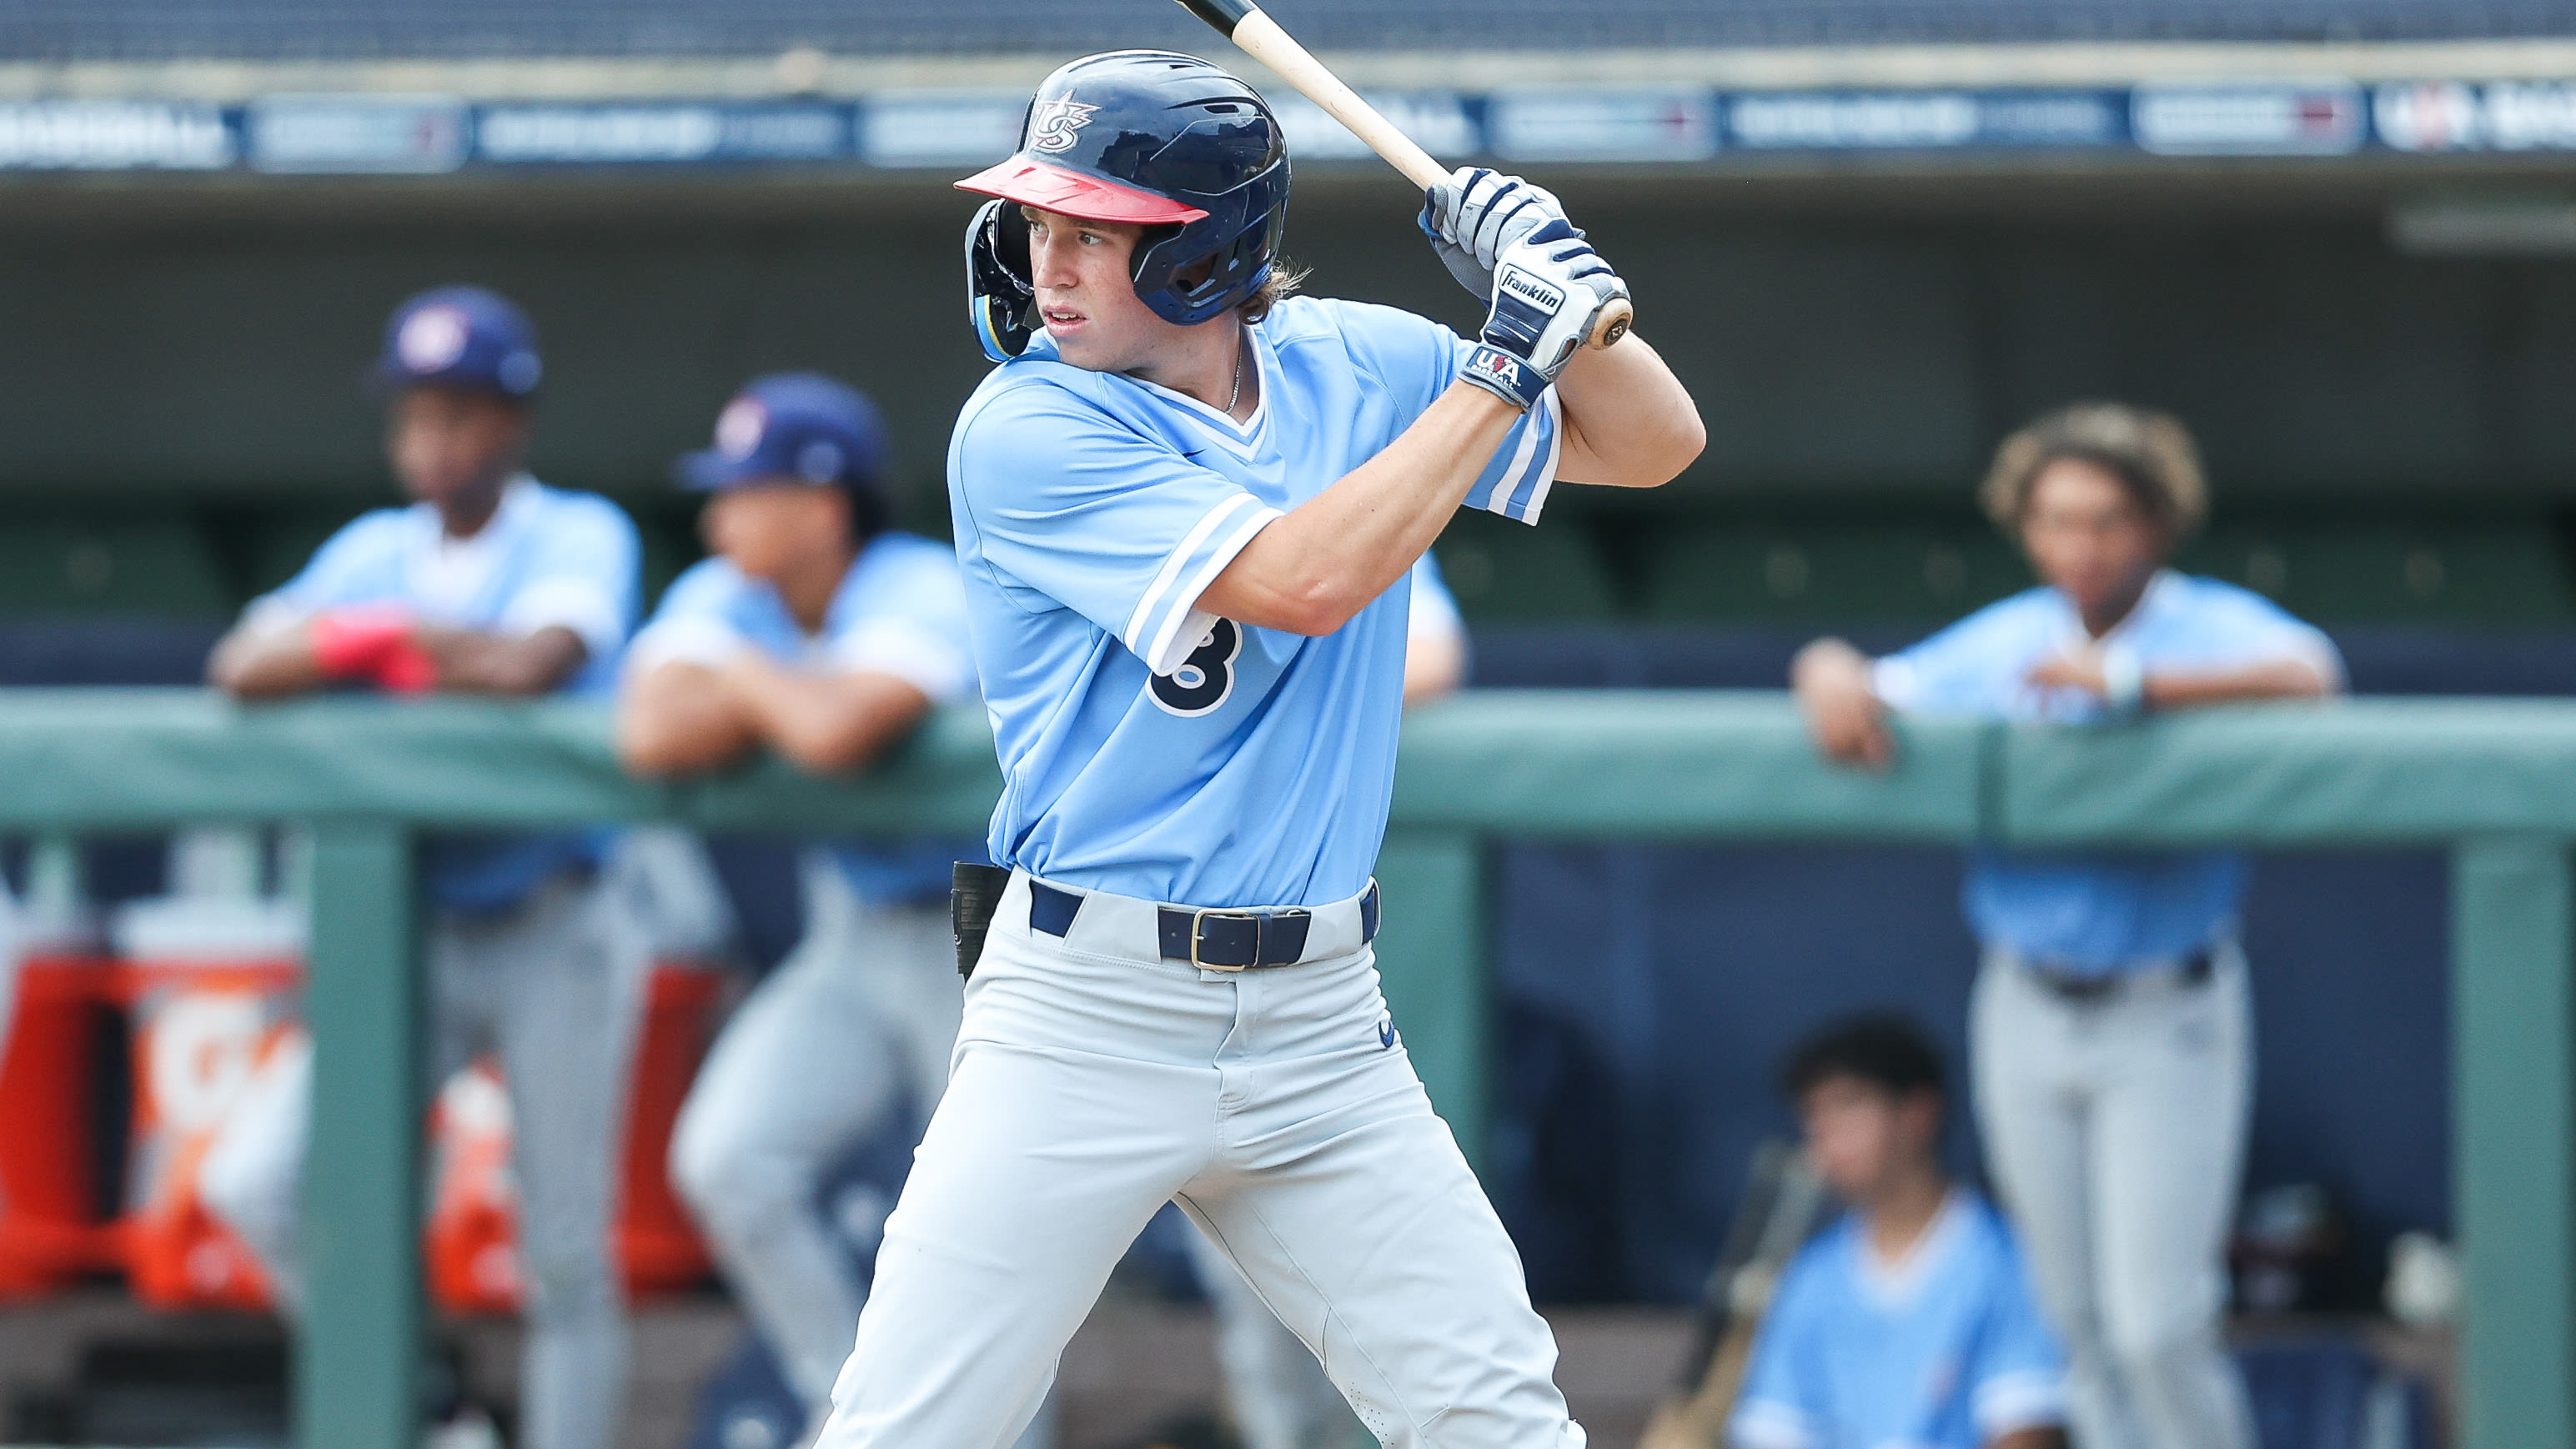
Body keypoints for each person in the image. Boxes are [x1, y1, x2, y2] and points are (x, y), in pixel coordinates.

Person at [811, 48, 1702, 1449]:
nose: (1052, 263)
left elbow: (1655, 444)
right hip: (1084, 1012)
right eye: (1041, 224)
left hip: (1320, 1026)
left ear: (1207, 249)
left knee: (1501, 1420)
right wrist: (1501, 355)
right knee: (909, 1427)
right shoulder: (1028, 423)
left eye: (1099, 233)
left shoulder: (1364, 361)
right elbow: (1302, 578)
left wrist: (1576, 308)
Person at [1790, 403, 2343, 1449]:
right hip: (2025, 999)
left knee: (2156, 1325)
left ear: (2155, 525)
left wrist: (2132, 684)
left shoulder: (2203, 626)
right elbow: (1867, 681)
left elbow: (2309, 678)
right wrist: (1823, 667)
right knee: (2072, 1322)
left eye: (2104, 521)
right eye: (2053, 520)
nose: (2077, 547)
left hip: (2163, 1003)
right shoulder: (2009, 634)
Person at [199, 285, 646, 1449]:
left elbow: (534, 664)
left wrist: (372, 641)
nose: (434, 437)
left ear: (512, 423)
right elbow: (242, 663)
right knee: (257, 1181)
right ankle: (434, 1407)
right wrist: (364, 635)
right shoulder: (370, 550)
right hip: (410, 929)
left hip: (558, 918)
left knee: (561, 1248)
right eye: (416, 411)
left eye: (461, 411)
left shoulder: (579, 532)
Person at [613, 373, 1003, 1447]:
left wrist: (740, 680)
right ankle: (853, 1414)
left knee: (990, 1228)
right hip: (858, 931)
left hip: (994, 931)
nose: (716, 515)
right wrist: (768, 678)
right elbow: (646, 733)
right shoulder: (732, 594)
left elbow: (839, 730)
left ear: (822, 509)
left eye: (747, 490)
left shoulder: (922, 582)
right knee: (728, 1158)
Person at [1184, 551, 1469, 1449]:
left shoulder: (1347, 499)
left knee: (1420, 1295)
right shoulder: (1118, 477)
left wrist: (1297, 693)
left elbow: (1432, 657)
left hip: (1325, 967)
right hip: (1116, 964)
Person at [1730, 1014, 2066, 1449]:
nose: (1828, 1136)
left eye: (1848, 1107)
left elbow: (2025, 1431)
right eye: (1815, 1116)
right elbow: (1776, 1433)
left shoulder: (2007, 1258)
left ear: (1918, 1114)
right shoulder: (1811, 1278)